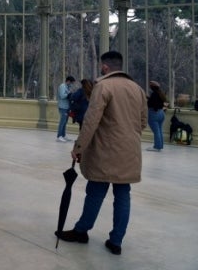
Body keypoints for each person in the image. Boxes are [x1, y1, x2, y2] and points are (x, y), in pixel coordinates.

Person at [55, 51, 147, 256]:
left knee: (96, 191)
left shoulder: (103, 86)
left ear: (105, 67)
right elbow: (143, 122)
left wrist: (78, 148)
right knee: (123, 195)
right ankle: (116, 241)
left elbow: (91, 121)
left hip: (105, 150)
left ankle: (81, 231)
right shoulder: (137, 89)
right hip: (130, 151)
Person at [146, 80, 167, 151]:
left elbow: (151, 104)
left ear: (152, 87)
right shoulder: (161, 93)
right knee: (159, 130)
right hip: (161, 113)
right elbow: (158, 102)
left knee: (156, 131)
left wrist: (148, 101)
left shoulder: (154, 94)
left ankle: (157, 147)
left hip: (154, 114)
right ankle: (160, 146)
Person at [56, 75, 76, 142]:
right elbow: (62, 96)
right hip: (62, 107)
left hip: (67, 107)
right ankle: (59, 136)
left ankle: (63, 135)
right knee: (62, 122)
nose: (72, 84)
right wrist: (69, 95)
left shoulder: (68, 86)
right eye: (71, 82)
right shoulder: (62, 86)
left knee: (65, 122)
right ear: (68, 81)